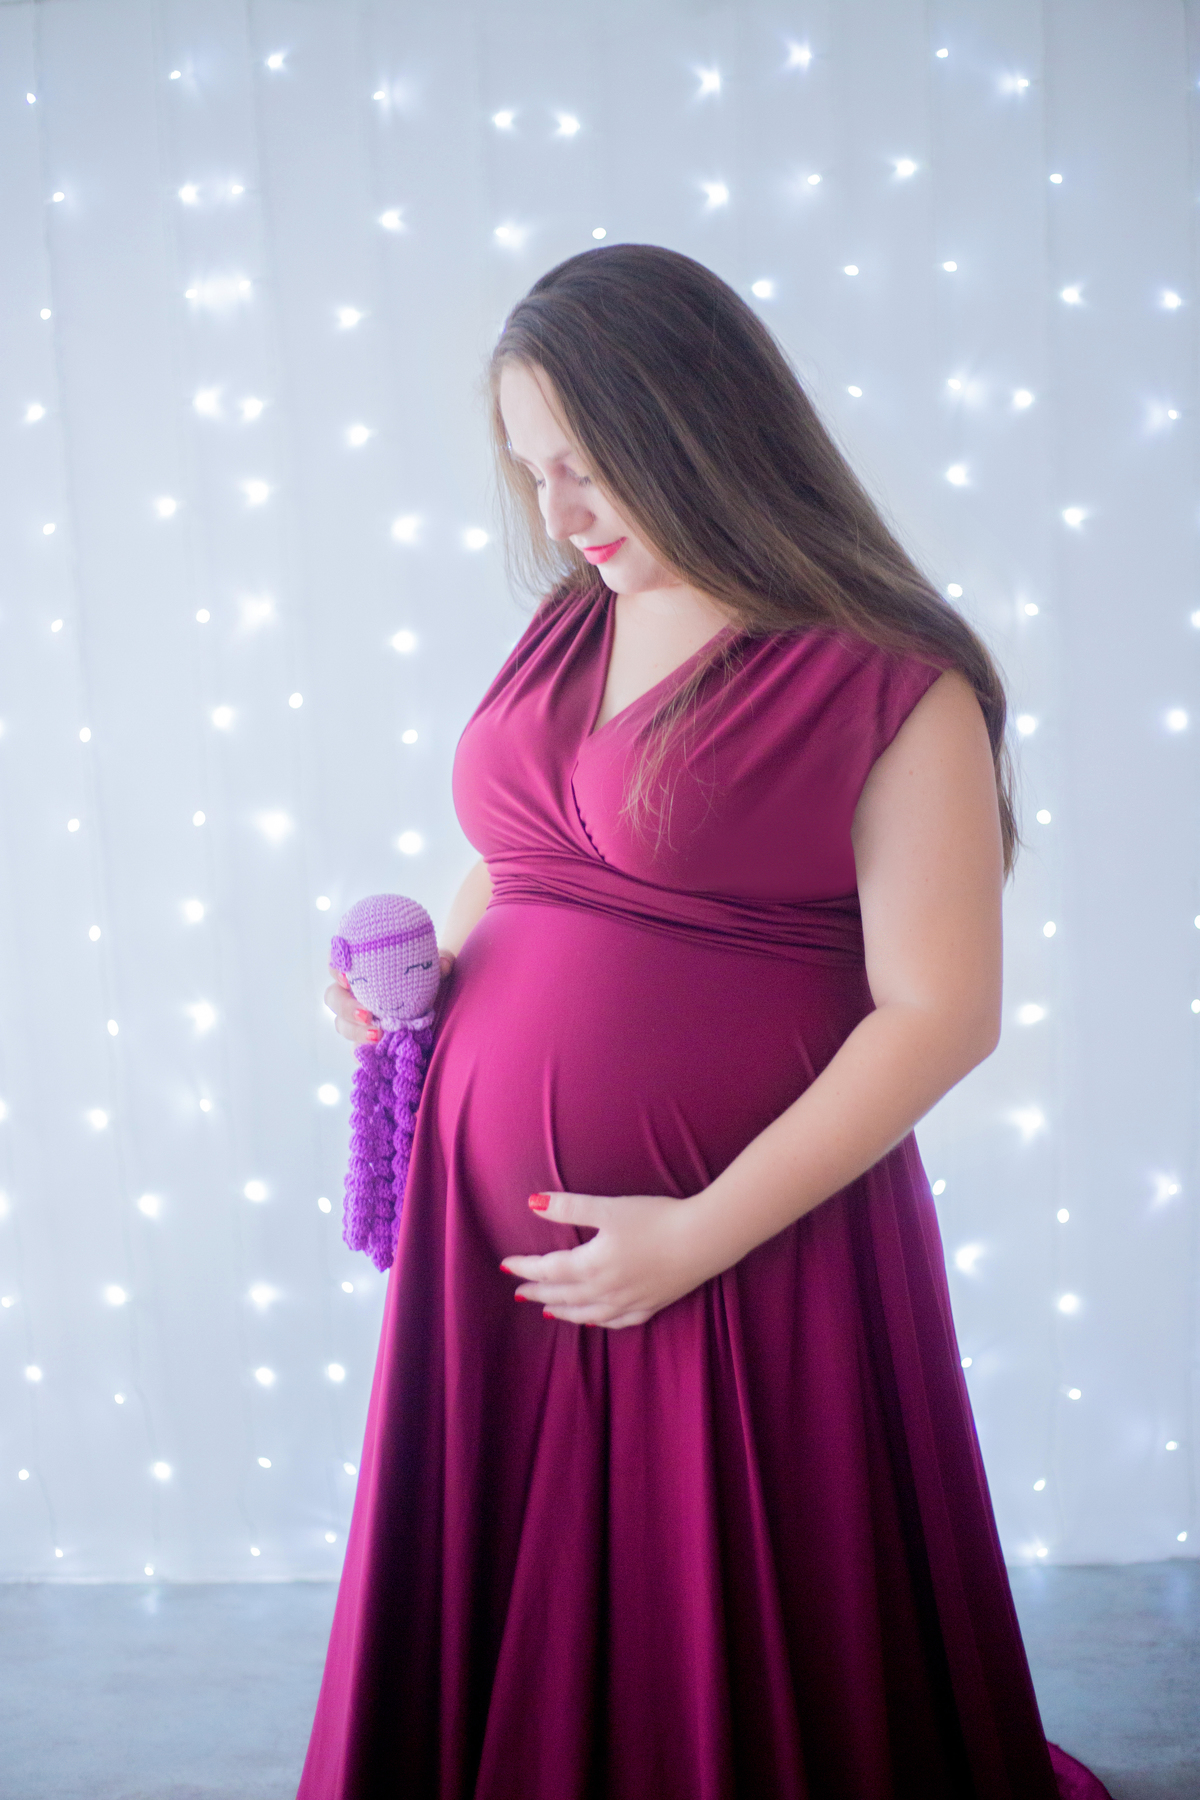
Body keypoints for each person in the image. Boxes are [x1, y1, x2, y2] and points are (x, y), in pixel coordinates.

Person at [299, 245, 1110, 1799]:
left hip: (743, 1244)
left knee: (735, 1636)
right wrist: (416, 999)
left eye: (590, 469)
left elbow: (943, 1014)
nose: (558, 513)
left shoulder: (891, 680)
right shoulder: (570, 622)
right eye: (533, 471)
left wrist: (698, 1234)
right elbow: (517, 863)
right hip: (502, 1253)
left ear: (700, 433)